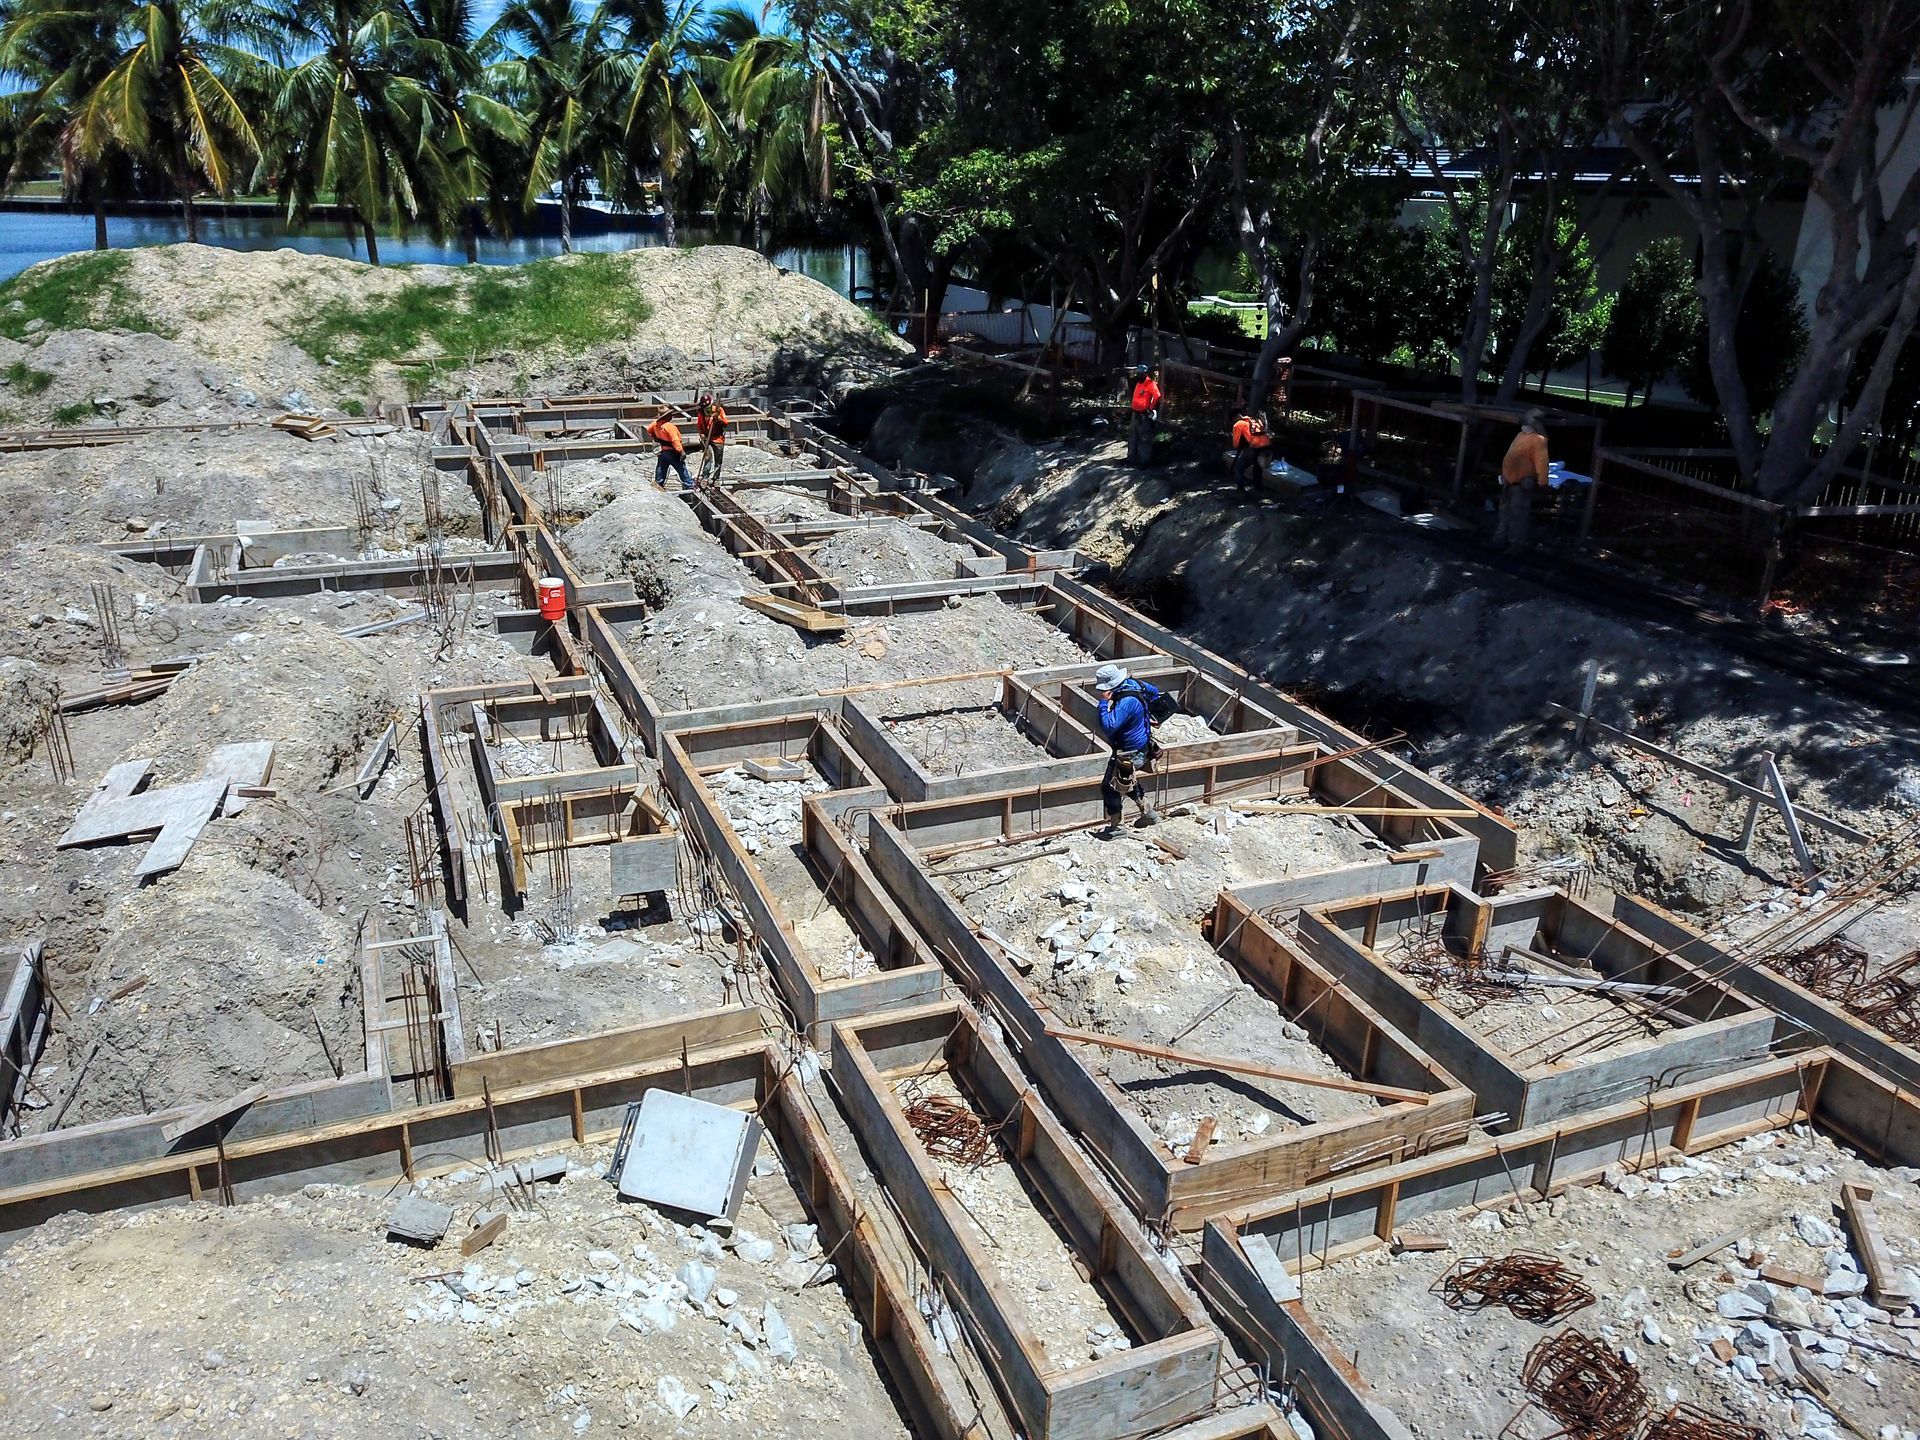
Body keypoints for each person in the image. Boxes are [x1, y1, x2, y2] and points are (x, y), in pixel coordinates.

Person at [1093, 662, 1161, 833]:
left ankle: (1117, 828)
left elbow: (1109, 725)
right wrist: (1148, 715)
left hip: (1129, 753)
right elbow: (1154, 693)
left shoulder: (1125, 702)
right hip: (1143, 747)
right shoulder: (1135, 684)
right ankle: (1149, 813)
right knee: (1126, 781)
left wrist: (1103, 703)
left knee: (1110, 787)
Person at [1493, 410, 1549, 550]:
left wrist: (1542, 480)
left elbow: (1542, 461)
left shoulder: (1538, 440)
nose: (1523, 426)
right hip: (1509, 480)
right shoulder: (1520, 436)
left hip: (1522, 483)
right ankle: (1500, 539)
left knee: (1517, 514)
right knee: (1504, 511)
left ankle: (1516, 544)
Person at [647, 410, 692, 491]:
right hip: (672, 452)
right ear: (666, 416)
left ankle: (658, 484)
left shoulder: (655, 424)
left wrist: (655, 437)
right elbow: (675, 440)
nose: (671, 416)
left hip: (663, 451)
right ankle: (689, 485)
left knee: (661, 468)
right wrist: (681, 452)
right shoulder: (669, 427)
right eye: (669, 414)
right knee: (681, 468)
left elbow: (649, 429)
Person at [1127, 366, 1161, 466]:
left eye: (1140, 373)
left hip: (1143, 415)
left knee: (1144, 439)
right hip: (1135, 414)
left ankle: (1144, 462)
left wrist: (1150, 408)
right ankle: (1131, 460)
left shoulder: (1150, 383)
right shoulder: (1138, 383)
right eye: (1138, 373)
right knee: (1133, 437)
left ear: (1145, 374)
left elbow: (1157, 395)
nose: (1138, 375)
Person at [1229, 411, 1272, 490]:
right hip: (1267, 449)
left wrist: (1243, 444)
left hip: (1255, 449)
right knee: (1257, 469)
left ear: (1234, 418)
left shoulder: (1238, 424)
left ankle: (1241, 489)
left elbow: (1236, 445)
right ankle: (1259, 489)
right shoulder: (1256, 420)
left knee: (1238, 468)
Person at [695, 394, 729, 484]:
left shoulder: (718, 410)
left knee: (718, 459)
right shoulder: (701, 413)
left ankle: (716, 478)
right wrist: (701, 434)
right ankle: (705, 476)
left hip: (718, 438)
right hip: (706, 438)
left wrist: (718, 419)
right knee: (708, 457)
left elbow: (726, 423)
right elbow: (699, 425)